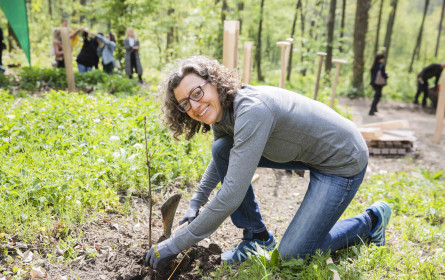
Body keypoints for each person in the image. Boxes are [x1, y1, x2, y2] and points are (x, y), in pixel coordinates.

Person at [143, 56, 392, 270]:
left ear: (214, 82)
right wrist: (196, 201)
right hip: (309, 154)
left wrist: (175, 244)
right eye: (185, 104)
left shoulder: (252, 110)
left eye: (197, 93)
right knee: (221, 147)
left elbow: (230, 195)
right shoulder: (222, 113)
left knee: (292, 256)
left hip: (342, 160)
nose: (195, 106)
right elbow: (221, 156)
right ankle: (257, 239)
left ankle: (371, 221)